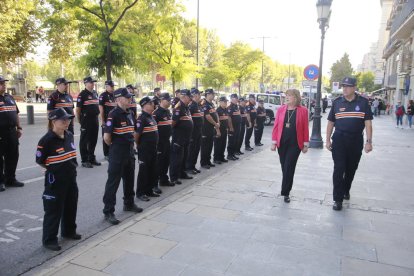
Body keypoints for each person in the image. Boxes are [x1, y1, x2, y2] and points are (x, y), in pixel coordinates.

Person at [36, 108, 81, 251]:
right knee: (53, 210)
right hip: (55, 181)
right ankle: (49, 240)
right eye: (63, 120)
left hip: (70, 178)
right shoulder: (46, 140)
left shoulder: (69, 135)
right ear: (54, 121)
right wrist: (51, 169)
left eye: (68, 119)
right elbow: (40, 160)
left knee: (70, 205)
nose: (67, 122)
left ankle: (68, 231)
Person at [326, 77, 373, 211]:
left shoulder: (363, 103)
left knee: (351, 169)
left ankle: (346, 189)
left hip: (356, 140)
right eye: (343, 86)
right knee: (339, 168)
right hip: (339, 139)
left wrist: (369, 142)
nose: (344, 89)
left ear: (354, 88)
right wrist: (328, 139)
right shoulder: (337, 102)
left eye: (347, 86)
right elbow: (330, 122)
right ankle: (337, 199)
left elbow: (368, 123)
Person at [102, 88, 143, 225]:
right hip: (118, 153)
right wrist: (116, 147)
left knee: (130, 180)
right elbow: (107, 137)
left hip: (129, 152)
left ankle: (129, 203)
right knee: (113, 182)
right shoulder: (113, 115)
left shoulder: (130, 113)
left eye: (130, 97)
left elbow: (132, 132)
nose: (130, 99)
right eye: (127, 97)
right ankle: (108, 211)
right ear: (118, 99)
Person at [271, 89, 309, 203]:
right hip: (282, 143)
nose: (287, 97)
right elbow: (276, 126)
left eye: (290, 95)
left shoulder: (303, 111)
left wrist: (305, 144)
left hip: (295, 144)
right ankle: (286, 185)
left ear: (296, 97)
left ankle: (286, 192)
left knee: (289, 166)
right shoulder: (281, 109)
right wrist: (274, 142)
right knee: (284, 166)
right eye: (286, 95)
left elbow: (305, 128)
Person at [0, 76, 24, 192]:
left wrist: (19, 128)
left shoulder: (9, 97)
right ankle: (0, 181)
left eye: (4, 83)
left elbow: (16, 113)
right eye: (1, 83)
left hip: (12, 131)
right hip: (1, 132)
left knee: (13, 155)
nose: (4, 85)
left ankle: (11, 178)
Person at [135, 97, 160, 201]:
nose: (153, 104)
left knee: (152, 170)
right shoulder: (142, 119)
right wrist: (139, 146)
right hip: (144, 150)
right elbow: (136, 135)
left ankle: (149, 190)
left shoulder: (151, 117)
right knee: (143, 171)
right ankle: (141, 193)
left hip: (153, 149)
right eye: (150, 103)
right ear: (145, 105)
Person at [170, 89, 194, 184]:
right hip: (179, 138)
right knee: (176, 158)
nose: (191, 99)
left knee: (184, 157)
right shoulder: (179, 108)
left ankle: (182, 173)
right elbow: (173, 123)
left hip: (186, 138)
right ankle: (174, 177)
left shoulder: (186, 107)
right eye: (190, 97)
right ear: (184, 97)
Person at [76, 77, 101, 168]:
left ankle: (91, 157)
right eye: (91, 82)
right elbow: (78, 109)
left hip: (95, 119)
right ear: (85, 84)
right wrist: (80, 120)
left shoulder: (95, 93)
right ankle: (84, 160)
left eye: (93, 82)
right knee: (84, 140)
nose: (92, 84)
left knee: (93, 139)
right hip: (86, 120)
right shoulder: (82, 95)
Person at [153, 93, 174, 187]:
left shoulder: (168, 112)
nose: (170, 102)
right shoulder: (156, 113)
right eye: (168, 100)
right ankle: (155, 184)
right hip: (159, 142)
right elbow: (153, 129)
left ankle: (164, 179)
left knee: (166, 161)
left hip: (166, 141)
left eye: (170, 100)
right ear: (161, 100)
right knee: (159, 163)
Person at [200, 89, 220, 169]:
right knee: (205, 146)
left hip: (211, 128)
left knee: (210, 145)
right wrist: (215, 124)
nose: (214, 95)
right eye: (212, 94)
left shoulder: (211, 104)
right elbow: (207, 116)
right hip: (205, 128)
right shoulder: (204, 103)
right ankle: (204, 162)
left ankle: (208, 161)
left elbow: (215, 114)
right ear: (208, 94)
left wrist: (217, 122)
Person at [186, 88, 204, 174]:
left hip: (198, 131)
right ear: (195, 95)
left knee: (196, 149)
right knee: (192, 150)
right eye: (199, 94)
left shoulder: (198, 105)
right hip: (193, 132)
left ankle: (193, 166)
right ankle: (189, 167)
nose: (200, 96)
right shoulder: (191, 106)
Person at [99, 80, 116, 160]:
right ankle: (106, 154)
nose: (113, 88)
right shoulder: (103, 96)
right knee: (106, 136)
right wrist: (102, 121)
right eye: (111, 86)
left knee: (114, 136)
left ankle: (112, 152)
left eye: (113, 86)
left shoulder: (115, 95)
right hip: (106, 120)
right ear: (106, 86)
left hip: (114, 120)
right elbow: (101, 110)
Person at [214, 96, 232, 164]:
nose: (226, 103)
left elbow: (227, 119)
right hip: (219, 130)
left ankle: (221, 157)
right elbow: (216, 122)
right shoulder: (218, 110)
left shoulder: (226, 110)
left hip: (224, 130)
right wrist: (217, 131)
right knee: (218, 145)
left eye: (226, 101)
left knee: (223, 144)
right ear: (220, 102)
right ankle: (216, 158)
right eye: (224, 102)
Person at [227, 94, 242, 160]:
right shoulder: (230, 107)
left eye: (237, 98)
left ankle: (233, 154)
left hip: (238, 127)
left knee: (236, 141)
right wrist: (231, 127)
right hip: (233, 127)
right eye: (235, 98)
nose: (237, 99)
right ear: (232, 99)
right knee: (231, 142)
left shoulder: (236, 106)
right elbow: (229, 118)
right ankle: (229, 155)